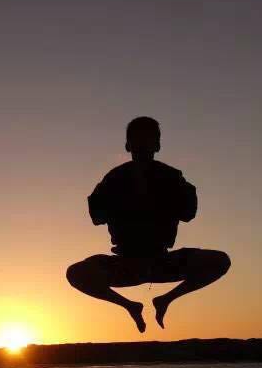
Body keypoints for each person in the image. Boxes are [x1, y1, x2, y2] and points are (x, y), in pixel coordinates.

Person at [66, 117, 231, 332]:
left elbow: (189, 212)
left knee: (219, 261)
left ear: (157, 145)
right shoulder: (114, 179)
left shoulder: (171, 177)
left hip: (162, 261)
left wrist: (162, 196)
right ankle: (130, 305)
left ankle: (165, 299)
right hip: (125, 264)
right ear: (128, 145)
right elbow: (96, 216)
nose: (142, 145)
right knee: (76, 273)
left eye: (147, 139)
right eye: (138, 140)